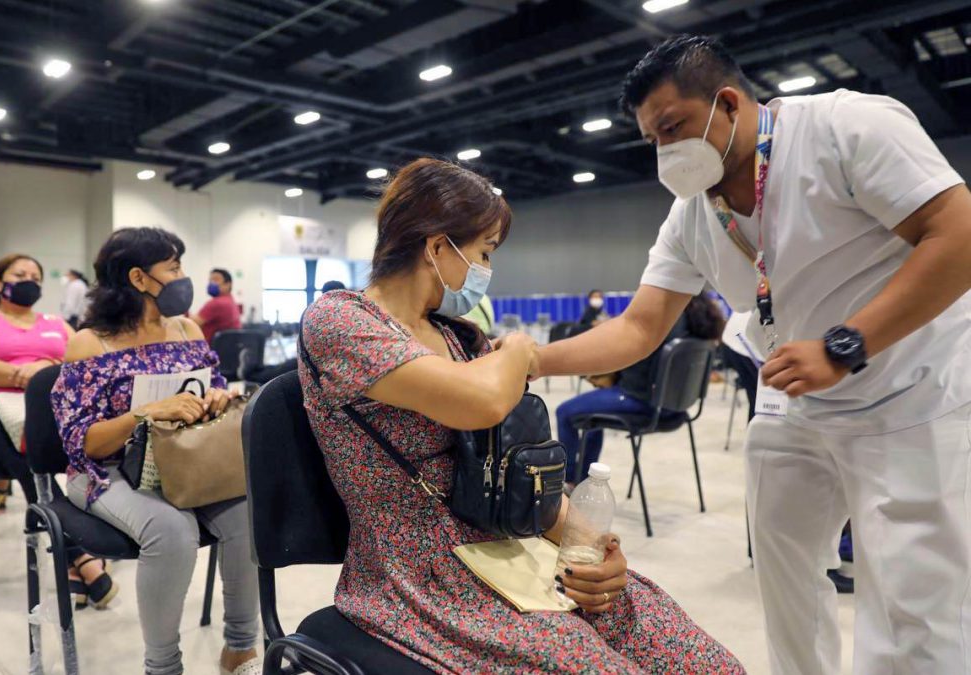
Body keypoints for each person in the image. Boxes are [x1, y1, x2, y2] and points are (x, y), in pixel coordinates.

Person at [536, 35, 971, 675]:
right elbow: (639, 327)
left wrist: (846, 345)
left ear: (729, 104)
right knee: (784, 570)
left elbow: (958, 236)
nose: (665, 151)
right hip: (796, 399)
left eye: (673, 127)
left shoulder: (845, 127)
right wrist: (531, 361)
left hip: (910, 388)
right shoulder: (692, 215)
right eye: (653, 139)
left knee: (914, 594)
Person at [299, 158, 742, 674]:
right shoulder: (340, 321)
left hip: (507, 542)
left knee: (704, 661)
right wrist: (520, 348)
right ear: (438, 247)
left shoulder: (457, 337)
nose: (487, 270)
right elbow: (480, 403)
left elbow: (509, 468)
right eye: (484, 252)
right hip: (419, 577)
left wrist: (594, 547)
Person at [52, 227, 260, 675]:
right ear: (139, 278)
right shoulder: (91, 342)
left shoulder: (187, 329)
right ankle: (163, 666)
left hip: (183, 461)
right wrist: (145, 413)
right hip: (105, 471)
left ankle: (241, 648)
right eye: (174, 267)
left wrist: (217, 399)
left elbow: (215, 391)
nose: (184, 277)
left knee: (247, 511)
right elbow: (81, 442)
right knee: (171, 530)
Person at [0, 253, 113, 607]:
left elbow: (84, 359)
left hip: (50, 409)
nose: (30, 280)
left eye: (36, 276)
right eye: (19, 274)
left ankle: (74, 564)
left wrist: (43, 371)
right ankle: (80, 553)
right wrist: (27, 374)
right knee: (29, 462)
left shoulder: (55, 321)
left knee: (97, 450)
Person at [556, 294, 724, 484]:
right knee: (591, 419)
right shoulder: (695, 323)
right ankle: (583, 478)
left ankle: (568, 481)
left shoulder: (663, 321)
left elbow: (633, 363)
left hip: (642, 402)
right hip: (677, 409)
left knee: (564, 412)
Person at [193, 268, 241, 344]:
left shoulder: (217, 303)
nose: (211, 283)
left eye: (215, 280)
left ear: (228, 284)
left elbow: (191, 324)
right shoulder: (231, 301)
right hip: (227, 351)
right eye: (210, 280)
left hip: (210, 351)